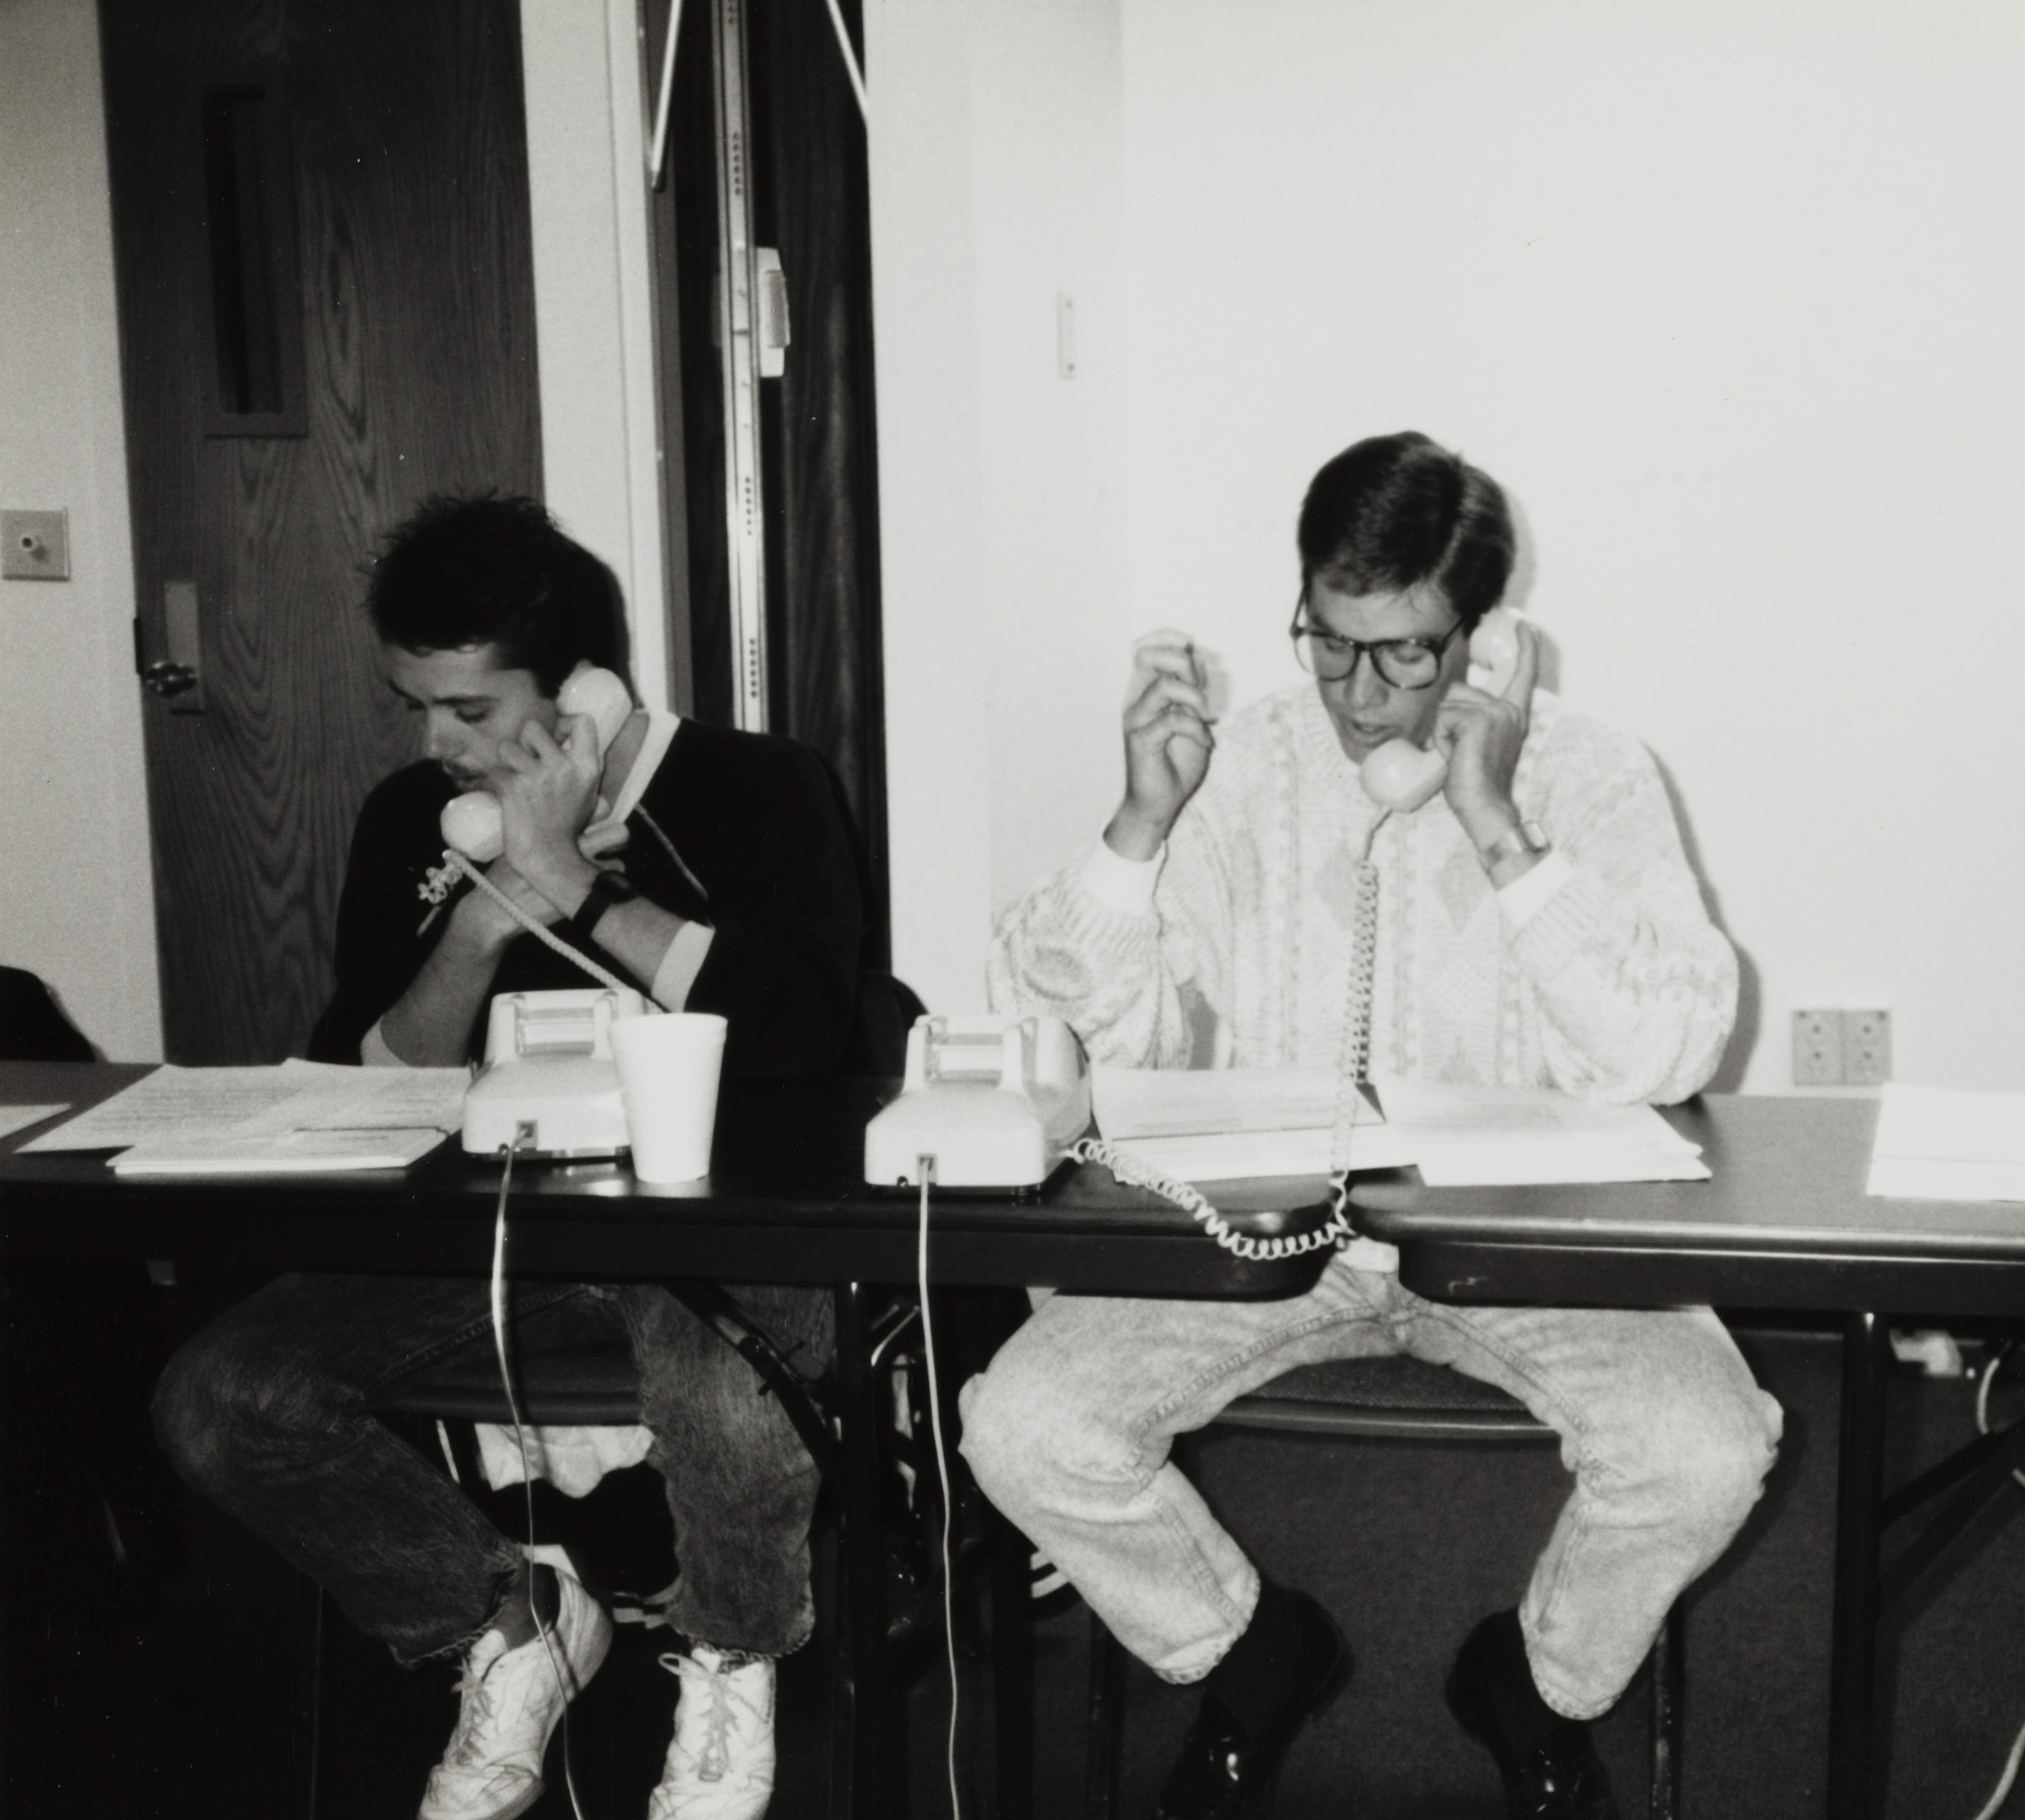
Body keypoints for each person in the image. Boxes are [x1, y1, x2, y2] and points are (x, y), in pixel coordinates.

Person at [963, 432, 1781, 1819]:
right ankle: (1246, 1646)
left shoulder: (1588, 772)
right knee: (1022, 1425)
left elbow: (1671, 1043)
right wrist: (1138, 823)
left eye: (1402, 653)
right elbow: (1098, 1043)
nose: (1355, 694)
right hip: (1268, 1238)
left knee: (1711, 1446)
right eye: (1327, 644)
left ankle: (1535, 1682)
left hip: (1523, 1250)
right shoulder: (1236, 767)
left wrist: (1498, 827)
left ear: (1485, 635)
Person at [152, 494, 866, 1820]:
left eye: (468, 712)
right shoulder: (410, 822)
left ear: (583, 693)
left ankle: (731, 1660)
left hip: (714, 1237)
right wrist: (479, 926)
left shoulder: (763, 791)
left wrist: (582, 882)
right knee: (224, 1394)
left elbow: (807, 1039)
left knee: (721, 1400)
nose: (434, 743)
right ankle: (503, 1617)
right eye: (414, 704)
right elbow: (367, 1081)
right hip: (496, 1245)